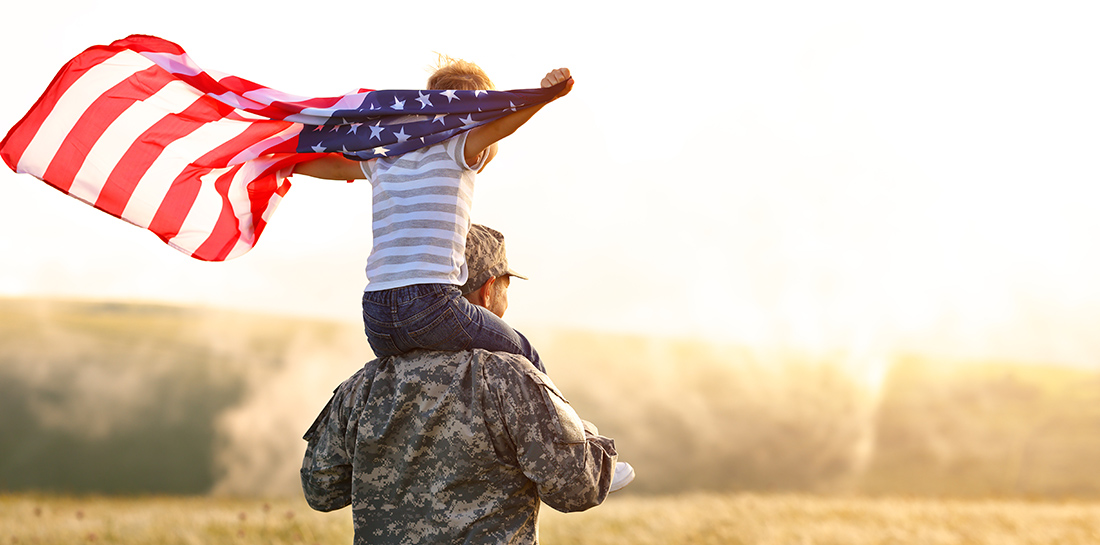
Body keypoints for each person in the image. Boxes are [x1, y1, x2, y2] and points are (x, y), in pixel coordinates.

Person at [300, 224, 635, 544]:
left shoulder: (362, 385)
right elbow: (576, 488)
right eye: (506, 286)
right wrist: (585, 437)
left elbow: (321, 490)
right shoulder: (509, 377)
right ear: (488, 291)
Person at [294, 59, 570, 373]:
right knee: (527, 356)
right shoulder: (457, 147)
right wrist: (544, 97)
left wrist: (279, 162)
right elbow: (499, 129)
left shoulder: (388, 154)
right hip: (431, 306)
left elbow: (332, 166)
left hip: (376, 318)